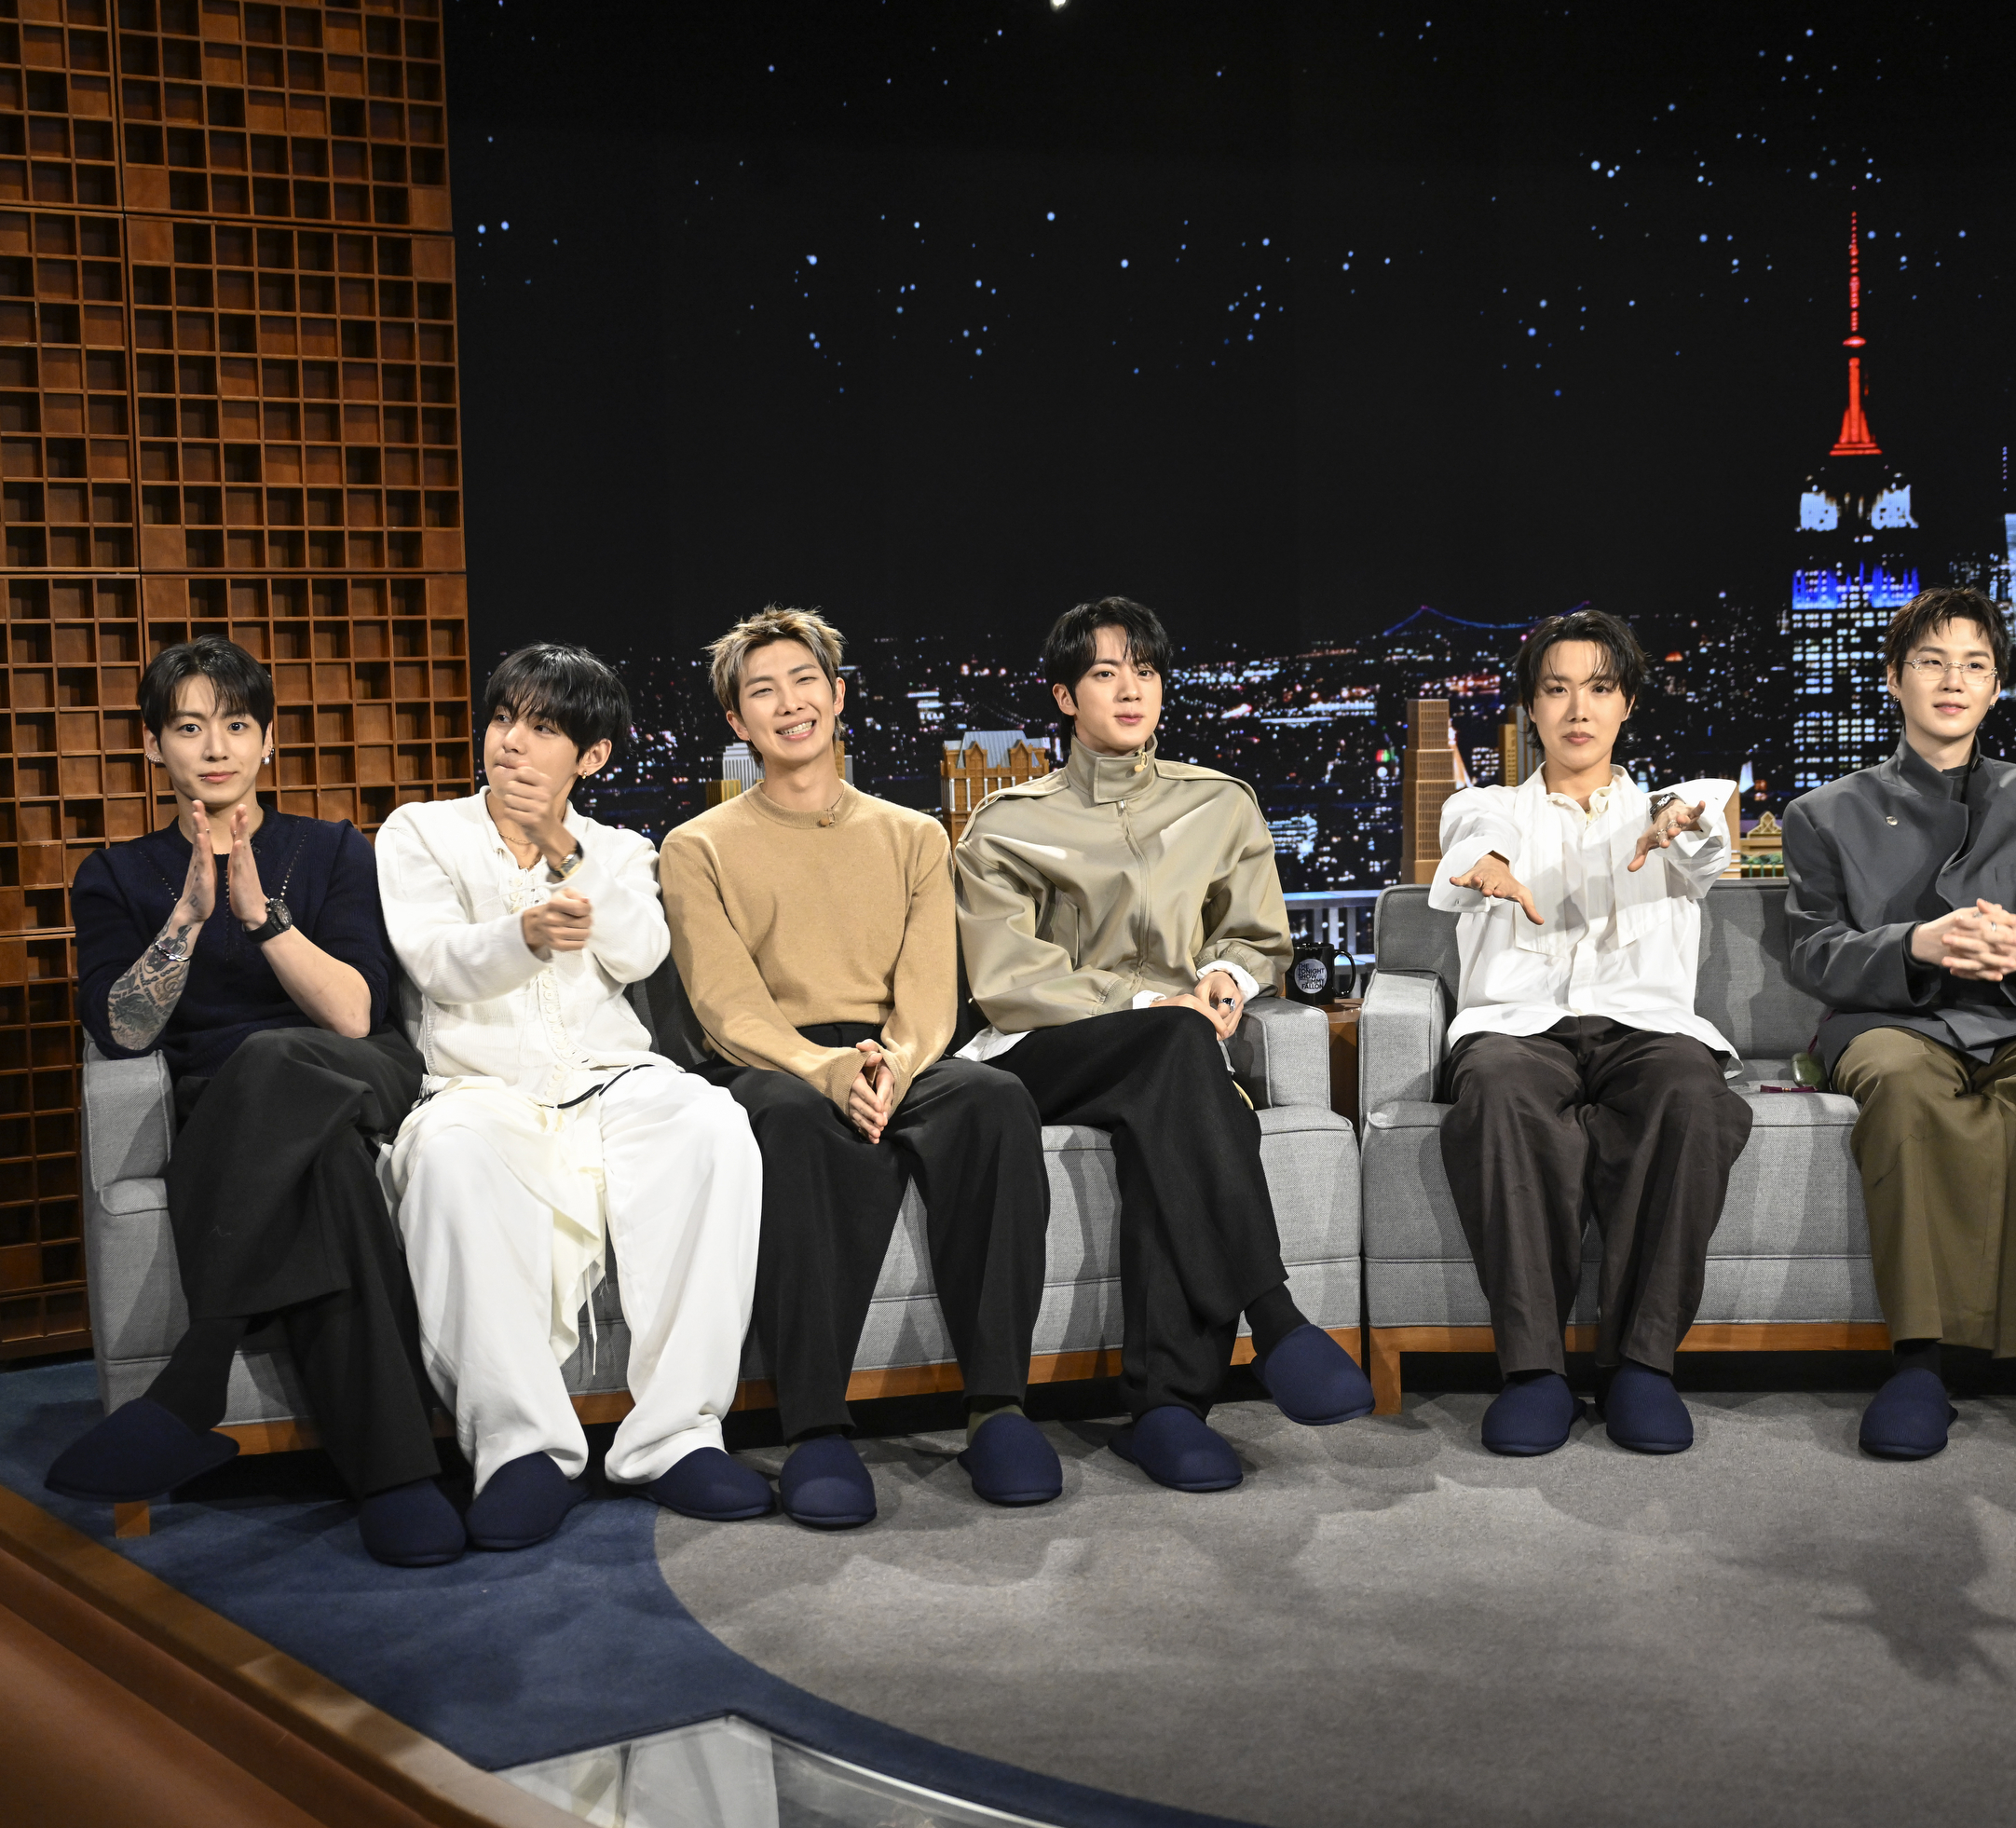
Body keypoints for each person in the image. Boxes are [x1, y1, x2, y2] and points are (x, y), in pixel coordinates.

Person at [45, 637, 458, 1567]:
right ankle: (398, 1476)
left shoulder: (332, 848)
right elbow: (124, 1029)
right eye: (190, 726)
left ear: (268, 740)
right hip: (245, 1111)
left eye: (236, 724)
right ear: (155, 746)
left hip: (358, 1072)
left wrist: (258, 915)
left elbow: (355, 1013)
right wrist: (189, 914)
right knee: (331, 1174)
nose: (216, 745)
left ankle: (195, 1377)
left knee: (280, 1055)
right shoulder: (114, 875)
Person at [952, 596, 1377, 1493]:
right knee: (1178, 1051)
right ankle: (1270, 1316)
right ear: (1066, 697)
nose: (1129, 688)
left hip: (1173, 1053)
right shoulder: (1006, 823)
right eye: (1105, 673)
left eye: (1143, 670)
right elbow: (1006, 977)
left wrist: (1226, 978)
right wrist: (1151, 999)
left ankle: (1168, 1415)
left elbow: (1258, 937)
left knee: (1174, 1086)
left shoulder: (1218, 805)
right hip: (1047, 1056)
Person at [661, 607, 1058, 1528]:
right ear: (738, 721)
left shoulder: (913, 834)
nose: (788, 703)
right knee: (790, 1124)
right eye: (761, 691)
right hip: (774, 1060)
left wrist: (892, 1065)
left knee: (996, 1099)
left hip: (897, 1050)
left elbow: (929, 993)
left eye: (805, 682)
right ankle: (816, 1427)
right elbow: (726, 1007)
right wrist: (825, 1069)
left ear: (837, 698)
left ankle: (997, 1405)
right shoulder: (697, 847)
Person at [375, 644, 767, 1552]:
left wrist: (564, 850)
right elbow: (433, 958)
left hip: (611, 1080)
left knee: (714, 1126)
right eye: (504, 718)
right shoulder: (420, 832)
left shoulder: (621, 848)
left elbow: (638, 952)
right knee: (443, 1154)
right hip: (482, 1090)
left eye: (542, 727)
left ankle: (676, 1436)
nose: (511, 743)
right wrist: (521, 932)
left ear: (589, 757)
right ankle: (522, 1449)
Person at [1781, 586, 2016, 1467]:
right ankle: (1919, 1361)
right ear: (1893, 680)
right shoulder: (1821, 814)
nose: (1953, 681)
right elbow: (1814, 956)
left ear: (1996, 690)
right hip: (1892, 1021)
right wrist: (1918, 942)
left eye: (1975, 666)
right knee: (1905, 1091)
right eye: (1931, 662)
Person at [1429, 609, 1750, 1457]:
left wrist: (1684, 817)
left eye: (1600, 689)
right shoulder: (1486, 806)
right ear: (1531, 709)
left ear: (1627, 704)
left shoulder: (1665, 816)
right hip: (1516, 1030)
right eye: (1557, 689)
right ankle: (1534, 1371)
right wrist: (1493, 864)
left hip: (1645, 1028)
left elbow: (1712, 820)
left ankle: (1641, 1365)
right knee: (1498, 1092)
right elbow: (1472, 835)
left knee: (1692, 1094)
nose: (1579, 709)